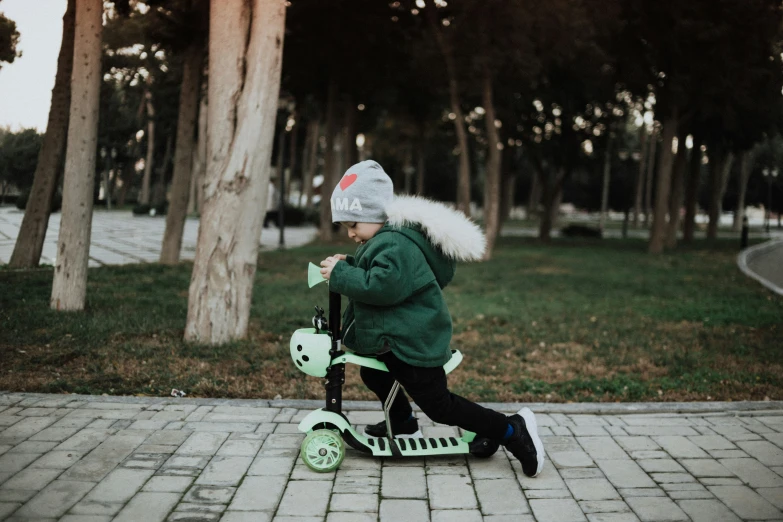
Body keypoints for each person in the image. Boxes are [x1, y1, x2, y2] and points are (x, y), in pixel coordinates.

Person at [319, 160, 545, 477]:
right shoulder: (387, 239)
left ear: (374, 214)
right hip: (398, 336)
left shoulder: (394, 243)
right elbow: (383, 271)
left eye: (354, 224)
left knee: (439, 406)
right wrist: (352, 263)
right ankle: (403, 424)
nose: (351, 233)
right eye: (346, 227)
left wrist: (342, 275)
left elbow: (382, 286)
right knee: (375, 375)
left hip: (413, 339)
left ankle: (511, 430)